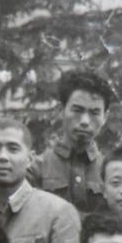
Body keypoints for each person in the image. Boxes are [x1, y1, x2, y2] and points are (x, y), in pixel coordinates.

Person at [36, 69, 114, 215]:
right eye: (77, 110)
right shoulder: (37, 169)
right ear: (61, 110)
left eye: (94, 113)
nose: (85, 121)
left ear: (105, 117)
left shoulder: (112, 171)